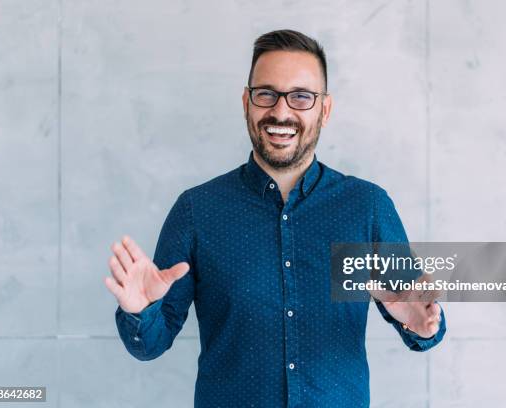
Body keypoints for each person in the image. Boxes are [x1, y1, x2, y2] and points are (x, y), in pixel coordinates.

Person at [104, 29, 446, 408]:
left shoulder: (366, 207)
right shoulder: (196, 212)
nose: (281, 112)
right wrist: (140, 311)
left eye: (301, 96)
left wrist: (420, 322)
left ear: (325, 109)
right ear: (246, 102)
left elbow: (420, 314)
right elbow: (150, 343)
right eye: (266, 94)